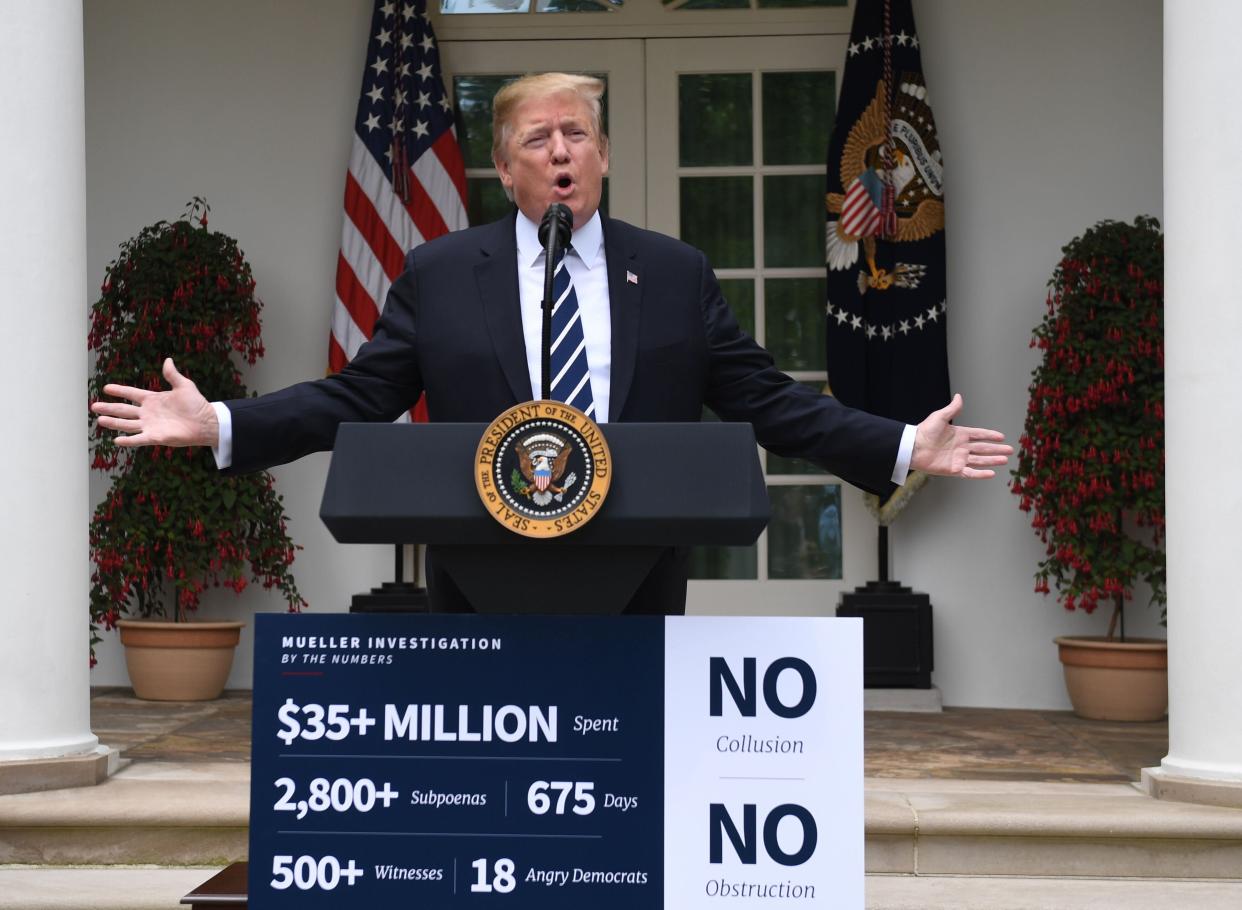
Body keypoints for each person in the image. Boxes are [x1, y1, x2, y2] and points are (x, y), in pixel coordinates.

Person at [92, 73, 1011, 613]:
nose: (561, 150)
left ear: (605, 156)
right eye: (538, 137)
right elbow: (358, 396)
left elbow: (763, 399)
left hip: (636, 572)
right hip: (481, 572)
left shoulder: (676, 271)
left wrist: (897, 446)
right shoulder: (442, 272)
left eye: (579, 133)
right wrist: (220, 424)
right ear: (505, 167)